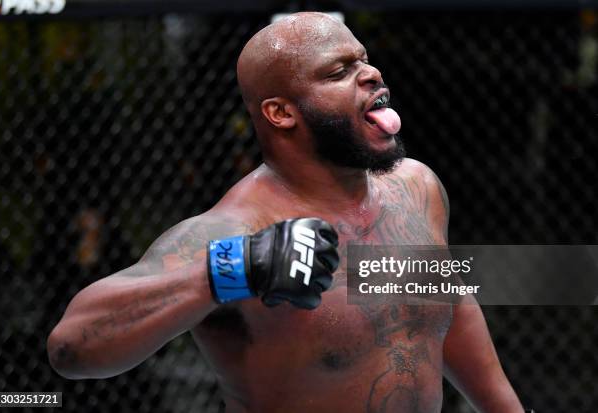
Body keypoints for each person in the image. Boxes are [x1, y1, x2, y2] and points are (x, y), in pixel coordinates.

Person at [48, 12, 526, 412]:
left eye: (363, 60)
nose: (371, 73)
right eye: (338, 72)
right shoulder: (231, 231)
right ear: (281, 113)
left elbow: (441, 305)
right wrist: (228, 272)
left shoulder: (415, 187)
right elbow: (71, 348)